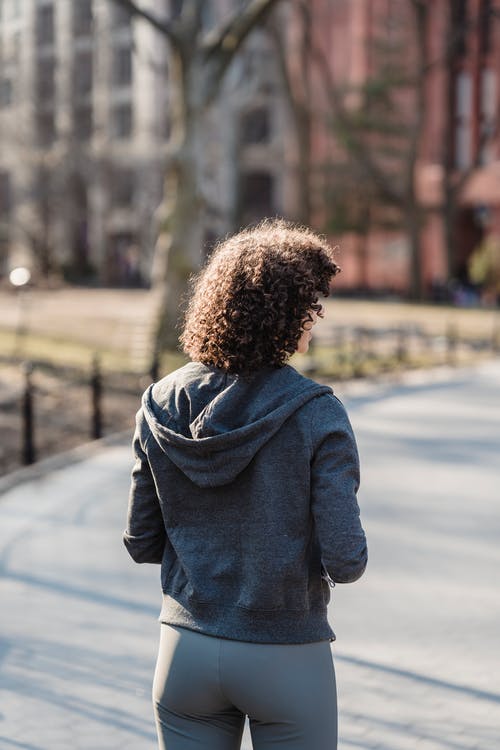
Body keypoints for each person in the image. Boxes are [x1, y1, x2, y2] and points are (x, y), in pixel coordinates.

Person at [124, 218, 368, 750]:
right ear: (283, 314)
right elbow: (346, 560)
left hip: (184, 649)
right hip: (285, 653)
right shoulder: (317, 413)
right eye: (311, 307)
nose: (315, 321)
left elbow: (141, 541)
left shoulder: (159, 401)